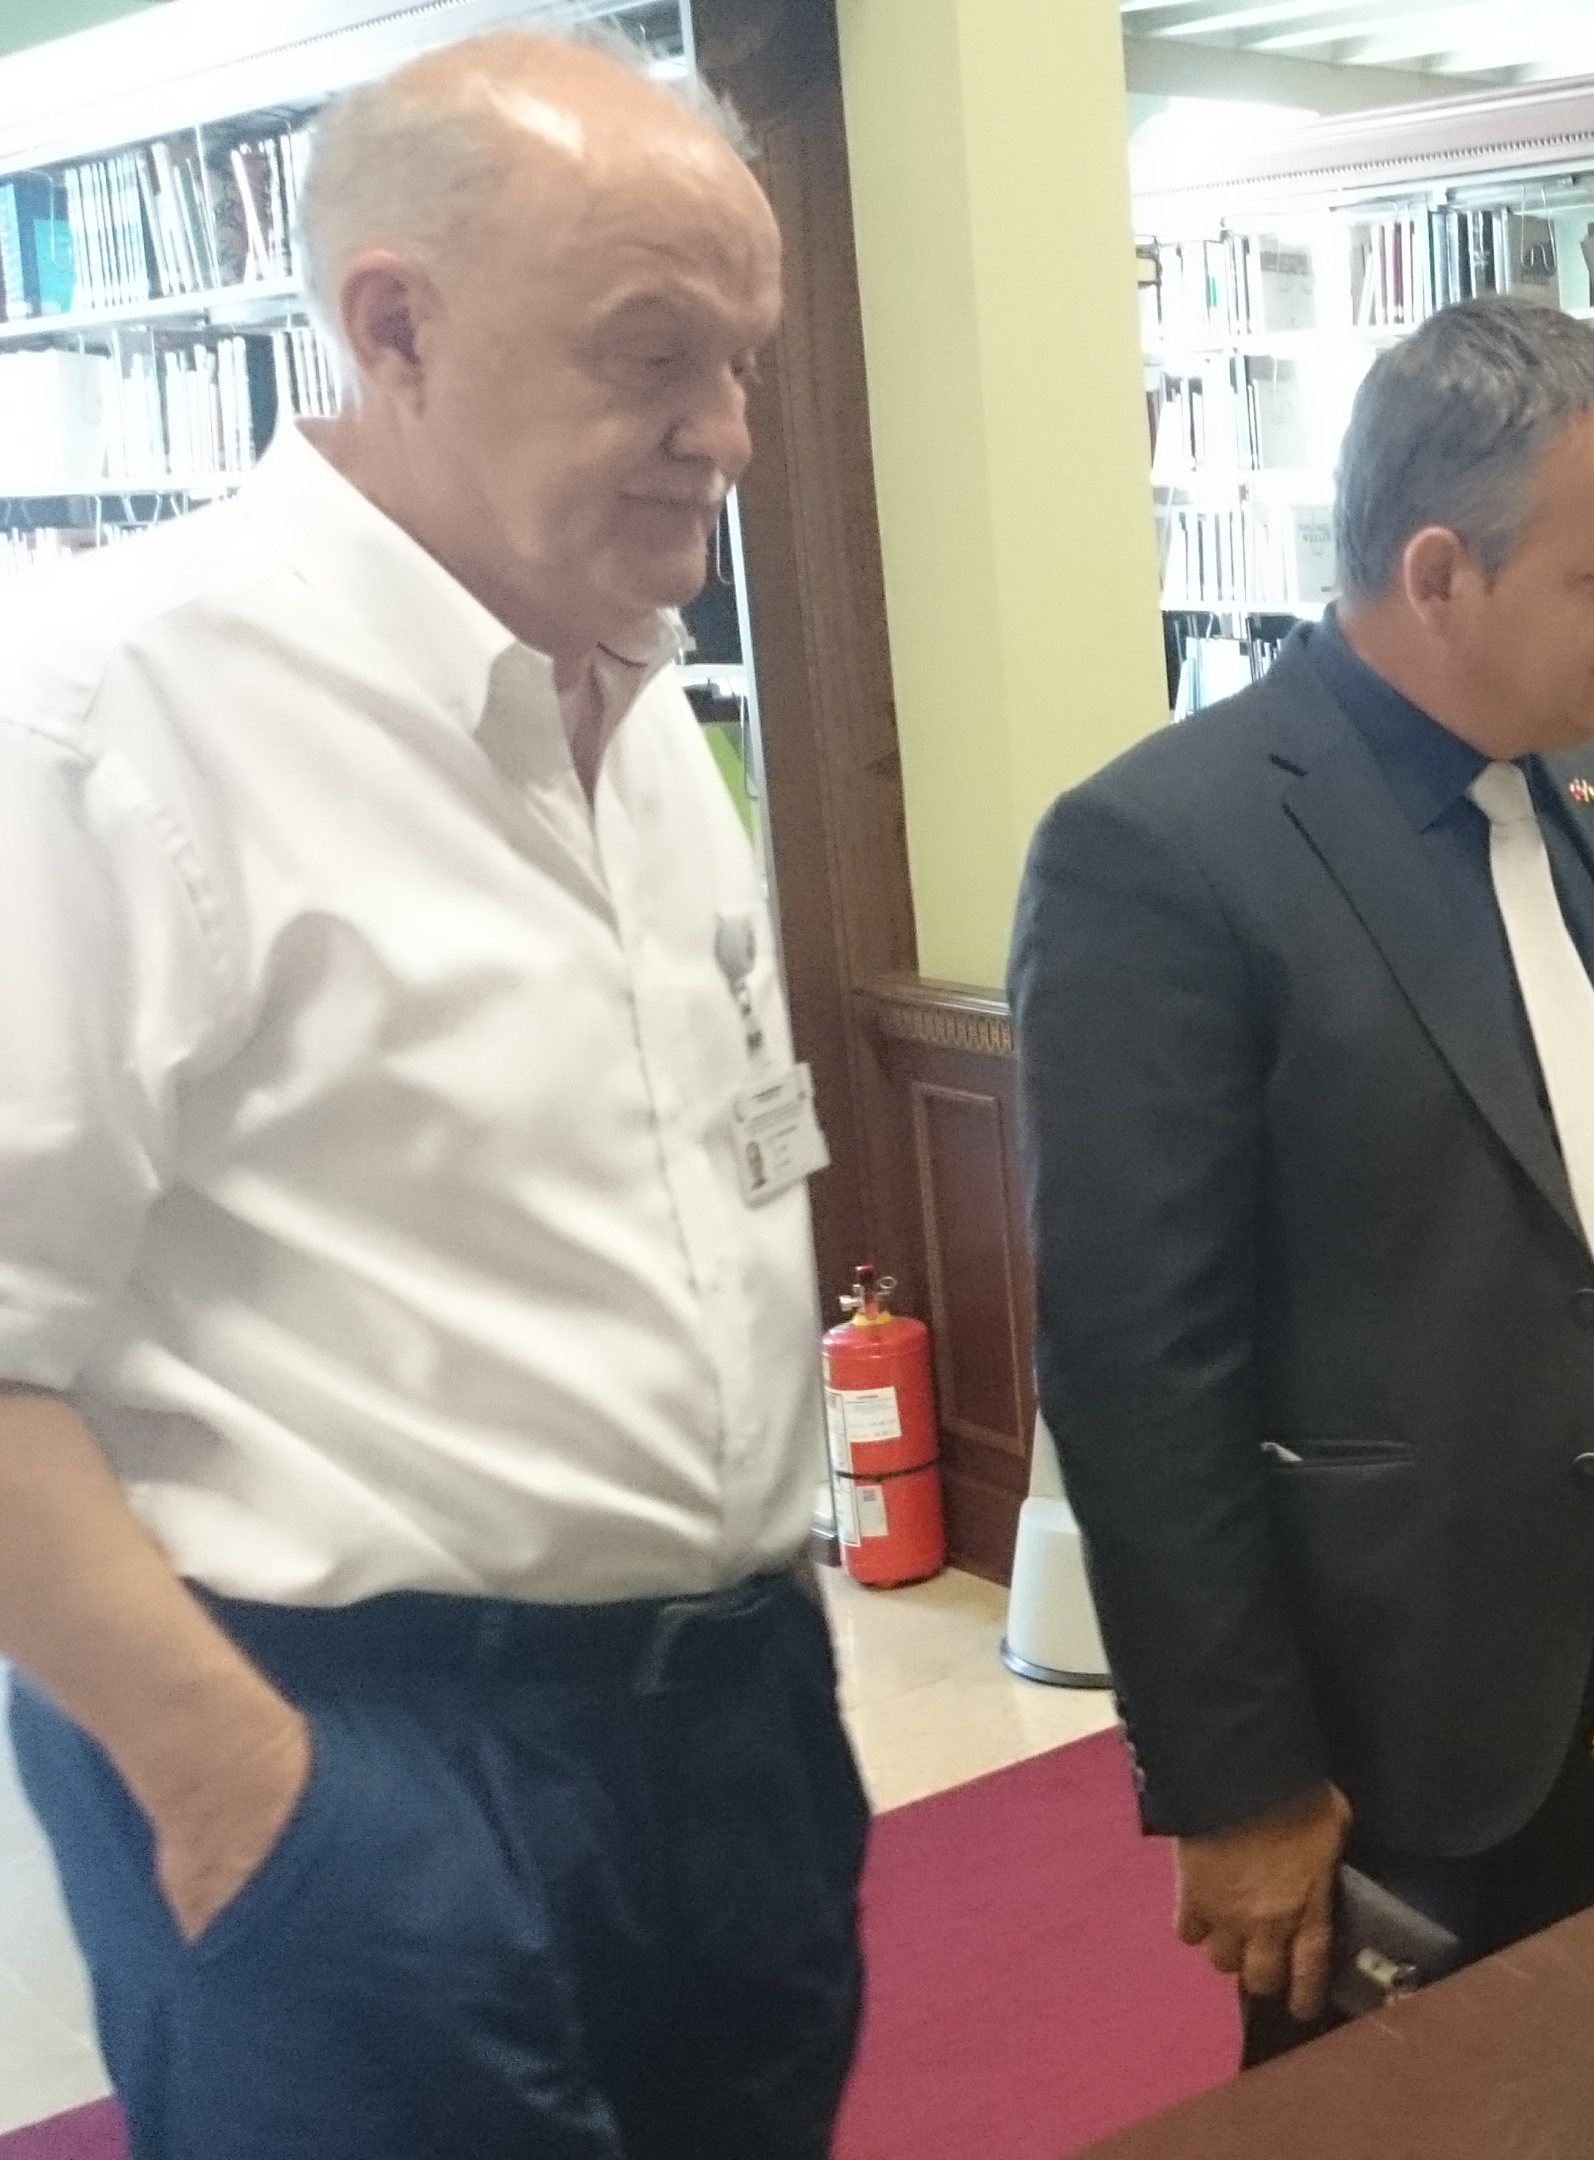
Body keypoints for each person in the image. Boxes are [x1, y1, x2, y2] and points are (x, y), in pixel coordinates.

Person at [0, 33, 862, 2160]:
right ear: (393, 325)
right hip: (357, 1747)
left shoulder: (639, 701)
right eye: (653, 355)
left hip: (729, 1727)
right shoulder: (102, 715)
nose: (726, 433)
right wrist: (233, 1785)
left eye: (743, 363)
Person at [1013, 294, 1594, 2063]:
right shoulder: (1167, 852)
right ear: (1442, 573)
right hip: (1405, 1708)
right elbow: (1139, 1373)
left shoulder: (1576, 786)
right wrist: (1235, 1776)